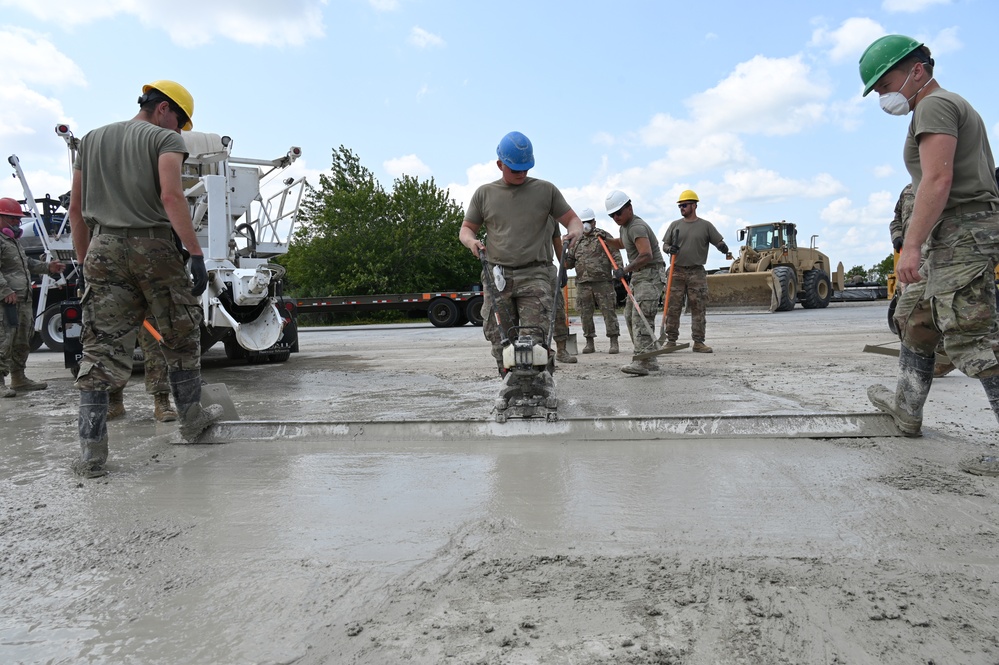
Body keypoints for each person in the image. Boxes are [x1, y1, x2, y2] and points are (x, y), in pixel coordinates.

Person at [859, 35, 999, 477]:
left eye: (885, 83)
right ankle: (907, 409)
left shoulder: (935, 106)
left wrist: (911, 245)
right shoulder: (932, 107)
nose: (882, 94)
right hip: (949, 232)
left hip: (962, 232)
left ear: (917, 69)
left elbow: (937, 182)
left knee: (971, 336)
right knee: (917, 318)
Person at [68, 79, 222, 478]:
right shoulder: (164, 140)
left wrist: (86, 264)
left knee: (99, 348)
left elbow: (76, 207)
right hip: (153, 248)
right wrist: (196, 253)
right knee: (179, 333)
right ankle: (191, 420)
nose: (178, 131)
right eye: (180, 121)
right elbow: (171, 198)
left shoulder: (90, 140)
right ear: (163, 109)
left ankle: (91, 454)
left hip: (102, 249)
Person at [459, 131, 583, 377]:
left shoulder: (546, 191)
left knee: (534, 339)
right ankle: (507, 382)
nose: (521, 174)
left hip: (534, 274)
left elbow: (572, 220)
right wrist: (471, 242)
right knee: (500, 337)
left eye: (526, 168)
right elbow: (466, 229)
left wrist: (575, 232)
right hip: (497, 275)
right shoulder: (484, 194)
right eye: (515, 169)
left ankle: (539, 383)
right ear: (500, 164)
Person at [0, 198, 65, 397]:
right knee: (4, 340)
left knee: (22, 340)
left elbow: (26, 263)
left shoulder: (12, 241)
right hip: (7, 301)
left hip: (22, 298)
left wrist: (48, 268)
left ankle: (19, 378)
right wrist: (5, 291)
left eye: (18, 219)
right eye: (13, 218)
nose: (17, 223)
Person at [889, 184, 955, 378]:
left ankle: (942, 357)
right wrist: (897, 237)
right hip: (910, 255)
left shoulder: (943, 184)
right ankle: (917, 358)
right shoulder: (907, 191)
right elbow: (896, 220)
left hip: (936, 252)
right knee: (906, 308)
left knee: (936, 306)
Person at [603, 190, 666, 376]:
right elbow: (622, 243)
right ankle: (648, 358)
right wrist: (604, 239)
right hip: (640, 276)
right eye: (612, 215)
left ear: (629, 207)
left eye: (618, 213)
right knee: (630, 315)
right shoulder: (625, 227)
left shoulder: (636, 226)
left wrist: (625, 270)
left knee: (641, 317)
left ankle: (643, 361)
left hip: (650, 275)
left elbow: (646, 254)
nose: (616, 217)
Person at [660, 190, 729, 354]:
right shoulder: (675, 225)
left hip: (696, 272)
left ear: (694, 205)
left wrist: (722, 247)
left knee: (698, 307)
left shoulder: (705, 226)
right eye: (680, 206)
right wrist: (670, 248)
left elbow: (718, 241)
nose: (681, 208)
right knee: (672, 307)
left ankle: (698, 342)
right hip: (676, 271)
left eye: (684, 205)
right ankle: (671, 341)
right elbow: (664, 246)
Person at [565, 208, 621, 354]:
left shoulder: (602, 236)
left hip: (603, 282)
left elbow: (615, 253)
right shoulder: (576, 240)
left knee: (608, 312)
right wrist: (563, 253)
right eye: (583, 222)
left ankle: (613, 341)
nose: (586, 225)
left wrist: (619, 269)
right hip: (583, 283)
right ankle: (589, 342)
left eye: (588, 222)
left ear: (594, 222)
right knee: (585, 313)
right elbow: (569, 262)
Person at [107, 326, 179, 422]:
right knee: (116, 349)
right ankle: (114, 401)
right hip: (120, 313)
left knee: (155, 350)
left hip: (149, 314)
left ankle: (161, 401)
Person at [549, 220, 576, 365]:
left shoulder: (550, 216)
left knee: (558, 310)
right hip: (523, 269)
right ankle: (538, 352)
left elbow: (557, 243)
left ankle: (561, 350)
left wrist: (563, 267)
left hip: (546, 267)